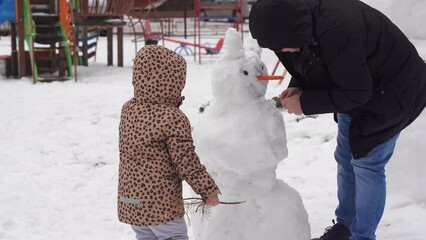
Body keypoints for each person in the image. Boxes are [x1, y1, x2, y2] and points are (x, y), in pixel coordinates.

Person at [249, 0, 426, 239]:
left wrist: (306, 103)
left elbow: (357, 91)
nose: (283, 52)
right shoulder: (298, 24)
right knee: (345, 158)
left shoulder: (339, 28)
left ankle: (362, 236)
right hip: (356, 88)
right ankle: (345, 226)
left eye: (283, 47)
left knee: (366, 165)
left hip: (393, 92)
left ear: (294, 31)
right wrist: (298, 86)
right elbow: (309, 61)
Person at [117, 45, 220, 240]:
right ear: (173, 81)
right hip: (160, 205)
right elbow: (186, 161)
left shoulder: (128, 109)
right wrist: (207, 190)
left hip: (131, 202)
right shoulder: (172, 118)